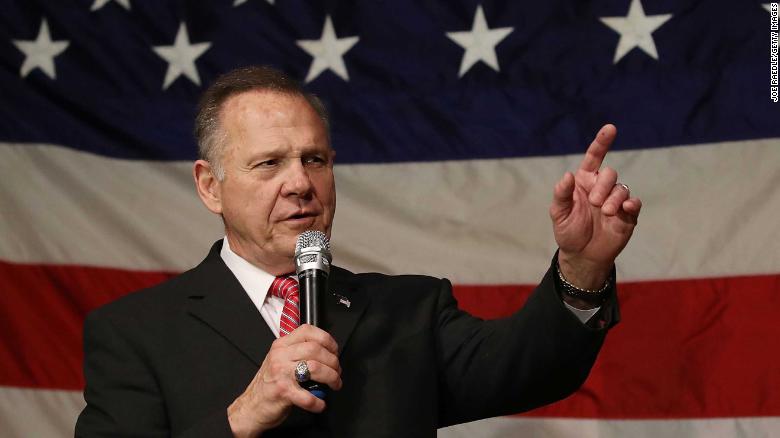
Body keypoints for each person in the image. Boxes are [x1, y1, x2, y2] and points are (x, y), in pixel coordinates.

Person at [75, 66, 641, 437]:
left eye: (314, 160)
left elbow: (531, 368)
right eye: (269, 163)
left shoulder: (409, 312)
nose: (300, 183)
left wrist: (583, 265)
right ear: (209, 185)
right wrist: (244, 413)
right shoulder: (135, 333)